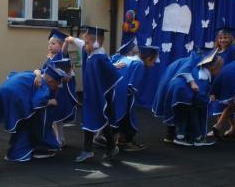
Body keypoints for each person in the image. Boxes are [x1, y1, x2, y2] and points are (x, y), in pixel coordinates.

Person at [64, 26, 121, 163]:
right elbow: (82, 44)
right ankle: (109, 147)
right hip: (90, 94)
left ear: (96, 44)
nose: (85, 46)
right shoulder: (92, 52)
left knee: (93, 120)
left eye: (87, 43)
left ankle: (89, 150)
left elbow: (110, 73)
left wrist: (113, 67)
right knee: (95, 120)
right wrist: (72, 39)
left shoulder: (99, 58)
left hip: (97, 95)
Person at [0, 61, 64, 161]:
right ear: (51, 81)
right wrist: (50, 101)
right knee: (27, 122)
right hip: (16, 97)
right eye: (56, 85)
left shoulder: (33, 74)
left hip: (2, 91)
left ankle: (17, 149)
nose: (56, 88)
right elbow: (37, 103)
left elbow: (10, 75)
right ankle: (23, 152)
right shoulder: (43, 85)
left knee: (20, 123)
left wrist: (37, 74)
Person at [164, 50, 223, 147]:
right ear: (213, 67)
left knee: (183, 115)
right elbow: (199, 97)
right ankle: (197, 138)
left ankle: (180, 136)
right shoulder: (203, 75)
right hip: (184, 95)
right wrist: (209, 99)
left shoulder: (196, 68)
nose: (220, 70)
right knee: (193, 114)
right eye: (220, 68)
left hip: (176, 93)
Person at [31, 29, 77, 146]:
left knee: (57, 116)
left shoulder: (62, 56)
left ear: (61, 46)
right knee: (54, 117)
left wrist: (66, 42)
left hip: (60, 91)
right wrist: (38, 73)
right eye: (49, 44)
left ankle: (59, 138)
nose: (50, 46)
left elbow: (65, 52)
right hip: (51, 91)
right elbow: (43, 71)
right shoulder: (49, 59)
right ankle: (59, 138)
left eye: (53, 43)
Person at [111, 44, 159, 151]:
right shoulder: (139, 64)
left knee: (117, 117)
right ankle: (124, 142)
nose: (153, 64)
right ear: (148, 58)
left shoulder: (125, 58)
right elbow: (132, 85)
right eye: (153, 61)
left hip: (113, 92)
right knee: (127, 119)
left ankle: (118, 141)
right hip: (123, 96)